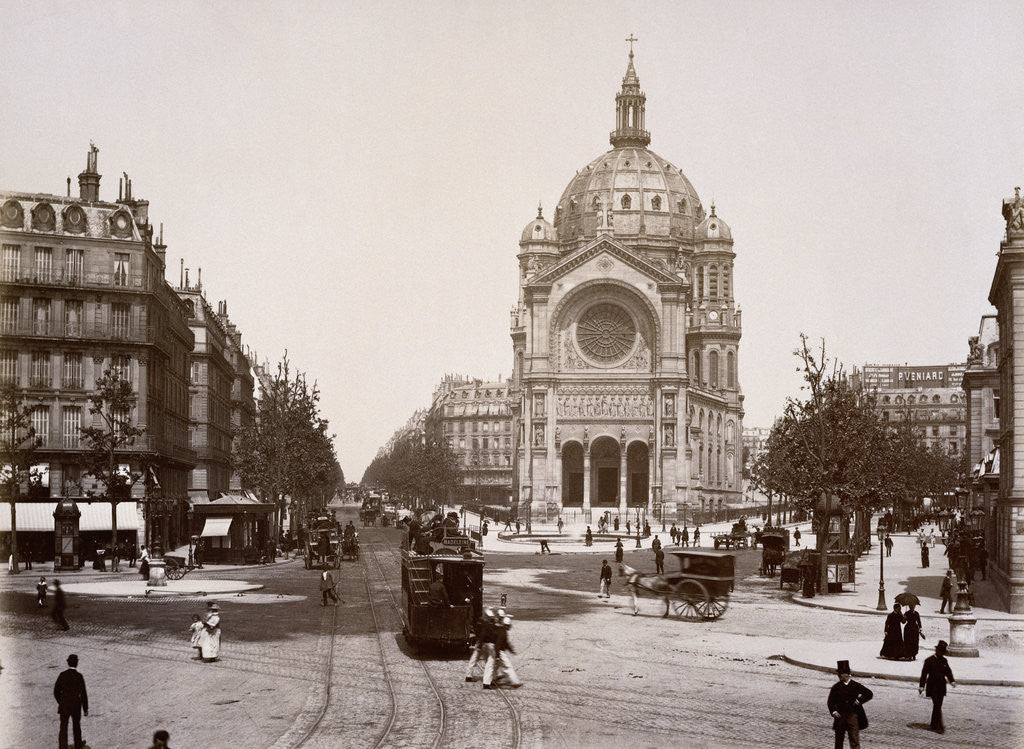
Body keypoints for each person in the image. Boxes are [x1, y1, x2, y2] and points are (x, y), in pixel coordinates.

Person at [827, 660, 872, 749]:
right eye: (839, 673)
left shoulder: (855, 685)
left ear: (847, 674)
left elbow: (869, 693)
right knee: (839, 740)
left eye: (841, 673)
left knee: (854, 739)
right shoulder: (836, 687)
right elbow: (830, 701)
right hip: (840, 716)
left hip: (853, 715)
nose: (839, 675)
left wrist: (859, 700)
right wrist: (834, 711)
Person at [919, 640, 956, 733]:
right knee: (937, 705)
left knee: (938, 706)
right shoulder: (929, 661)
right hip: (932, 687)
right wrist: (921, 686)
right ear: (937, 650)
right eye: (940, 651)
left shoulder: (944, 660)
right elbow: (924, 674)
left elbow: (948, 671)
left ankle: (933, 724)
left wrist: (952, 681)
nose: (941, 653)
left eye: (942, 652)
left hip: (941, 687)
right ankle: (940, 727)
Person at [54, 653, 88, 749]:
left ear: (68, 663)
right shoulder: (79, 676)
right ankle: (78, 745)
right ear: (76, 664)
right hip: (76, 705)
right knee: (77, 727)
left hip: (64, 705)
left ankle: (62, 746)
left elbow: (56, 691)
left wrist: (60, 701)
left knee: (63, 727)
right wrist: (85, 709)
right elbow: (83, 694)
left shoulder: (62, 675)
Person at [483, 615, 521, 689]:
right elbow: (499, 644)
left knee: (490, 665)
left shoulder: (500, 629)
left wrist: (511, 650)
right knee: (507, 665)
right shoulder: (503, 632)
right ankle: (515, 682)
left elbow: (504, 643)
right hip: (499, 650)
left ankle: (486, 682)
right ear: (508, 625)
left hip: (492, 647)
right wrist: (497, 656)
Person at [466, 608, 494, 682]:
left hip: (480, 643)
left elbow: (477, 632)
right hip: (485, 644)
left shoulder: (480, 622)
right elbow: (483, 634)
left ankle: (468, 675)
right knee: (488, 661)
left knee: (474, 659)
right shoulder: (487, 624)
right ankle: (489, 679)